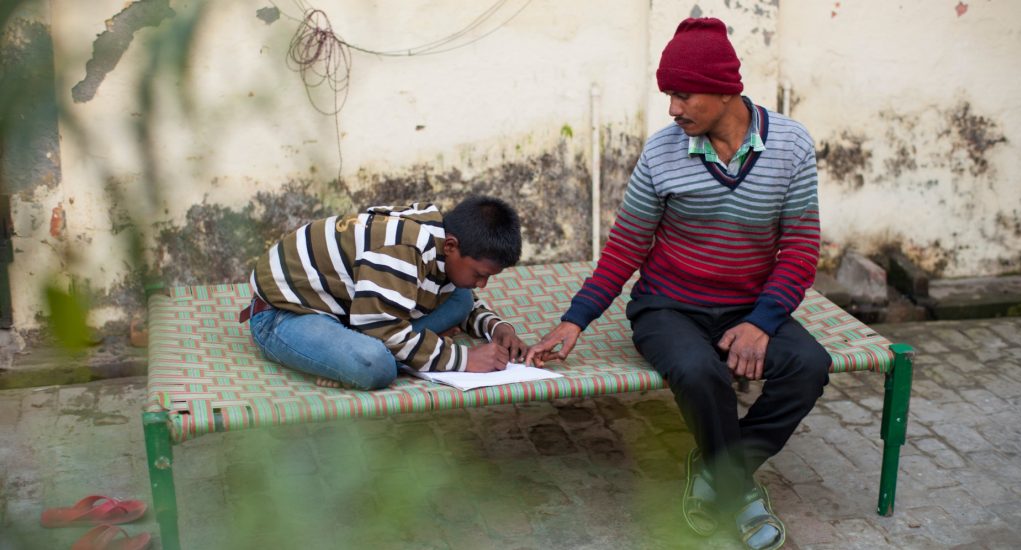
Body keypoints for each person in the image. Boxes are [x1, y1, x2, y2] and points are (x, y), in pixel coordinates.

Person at [525, 17, 830, 550]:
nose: (673, 109)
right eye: (669, 94)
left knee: (810, 366)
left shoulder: (791, 147)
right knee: (698, 370)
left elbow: (800, 250)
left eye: (683, 95)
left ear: (726, 89)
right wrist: (576, 319)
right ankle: (739, 493)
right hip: (667, 307)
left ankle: (718, 469)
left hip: (748, 307)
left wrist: (760, 324)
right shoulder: (661, 154)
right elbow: (626, 246)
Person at [243, 196, 528, 390]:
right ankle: (352, 362)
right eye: (480, 275)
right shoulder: (403, 250)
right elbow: (382, 330)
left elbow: (452, 287)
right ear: (451, 246)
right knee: (375, 364)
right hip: (284, 315)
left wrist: (495, 326)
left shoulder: (440, 238)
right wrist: (465, 360)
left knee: (461, 299)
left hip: (355, 310)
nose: (482, 285)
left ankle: (382, 354)